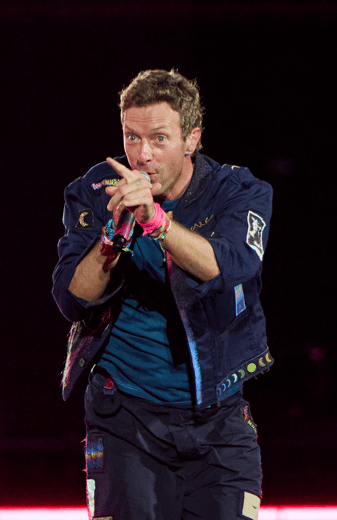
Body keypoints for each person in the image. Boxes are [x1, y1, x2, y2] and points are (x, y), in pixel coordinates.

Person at [51, 69, 273, 519]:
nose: (142, 155)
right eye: (132, 137)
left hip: (219, 420)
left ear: (191, 139)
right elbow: (71, 298)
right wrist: (116, 234)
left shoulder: (239, 190)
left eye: (158, 139)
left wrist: (156, 222)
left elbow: (228, 267)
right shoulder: (97, 192)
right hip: (125, 419)